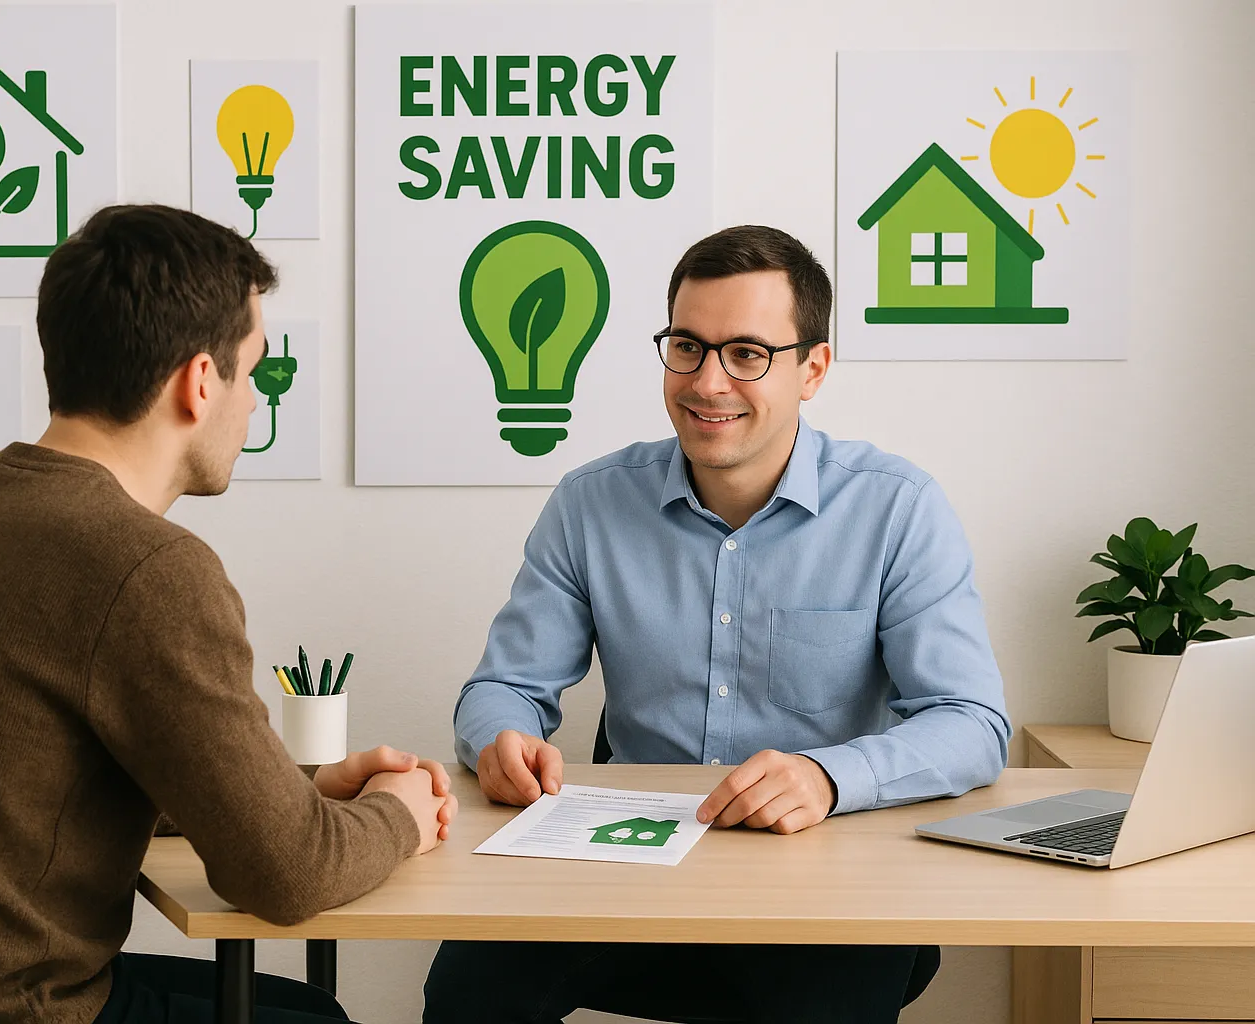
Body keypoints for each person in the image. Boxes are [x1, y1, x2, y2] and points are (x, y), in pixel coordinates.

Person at [0, 204, 457, 1024]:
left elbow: (42, 773)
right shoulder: (145, 568)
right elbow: (287, 877)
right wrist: (397, 814)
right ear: (197, 381)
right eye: (251, 370)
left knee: (294, 1009)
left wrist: (301, 789)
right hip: (19, 1009)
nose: (253, 401)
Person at [424, 225, 1012, 1023]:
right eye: (687, 347)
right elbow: (504, 687)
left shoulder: (897, 508)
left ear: (814, 368)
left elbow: (971, 722)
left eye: (746, 353)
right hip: (619, 862)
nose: (708, 382)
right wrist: (498, 740)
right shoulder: (590, 503)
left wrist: (830, 776)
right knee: (465, 991)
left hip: (818, 880)